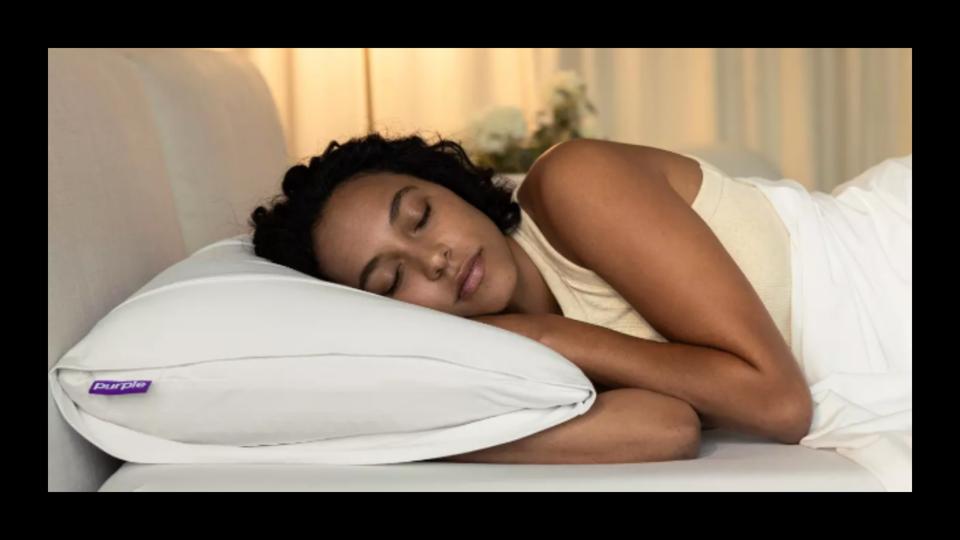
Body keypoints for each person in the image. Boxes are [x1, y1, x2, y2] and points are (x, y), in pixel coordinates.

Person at [249, 133, 911, 469]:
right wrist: (417, 424)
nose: (436, 260)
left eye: (420, 216)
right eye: (393, 281)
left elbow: (778, 404)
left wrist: (548, 336)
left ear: (448, 186)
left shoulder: (573, 184)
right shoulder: (498, 358)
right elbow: (665, 427)